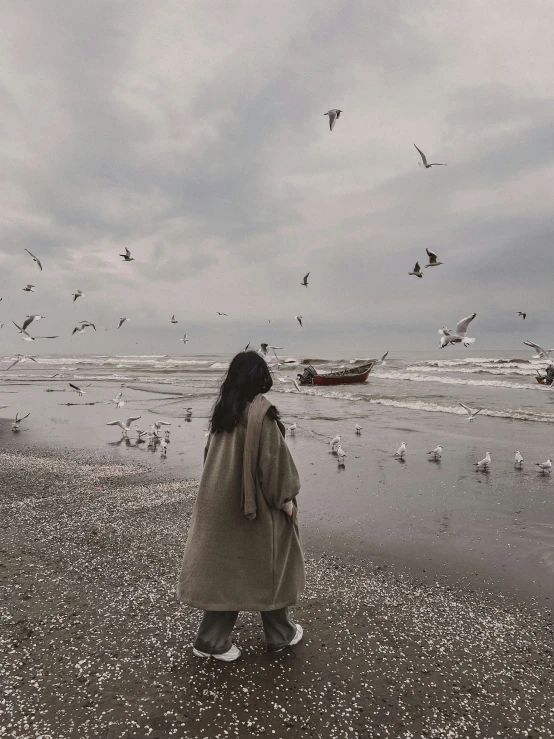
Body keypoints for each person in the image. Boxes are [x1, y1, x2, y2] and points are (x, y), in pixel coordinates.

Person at [177, 351, 305, 662]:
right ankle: (243, 638)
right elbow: (276, 471)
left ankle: (271, 634)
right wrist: (287, 502)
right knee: (269, 564)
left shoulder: (224, 414)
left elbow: (210, 458)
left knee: (230, 570)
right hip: (252, 508)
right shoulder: (263, 416)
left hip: (218, 503)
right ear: (259, 379)